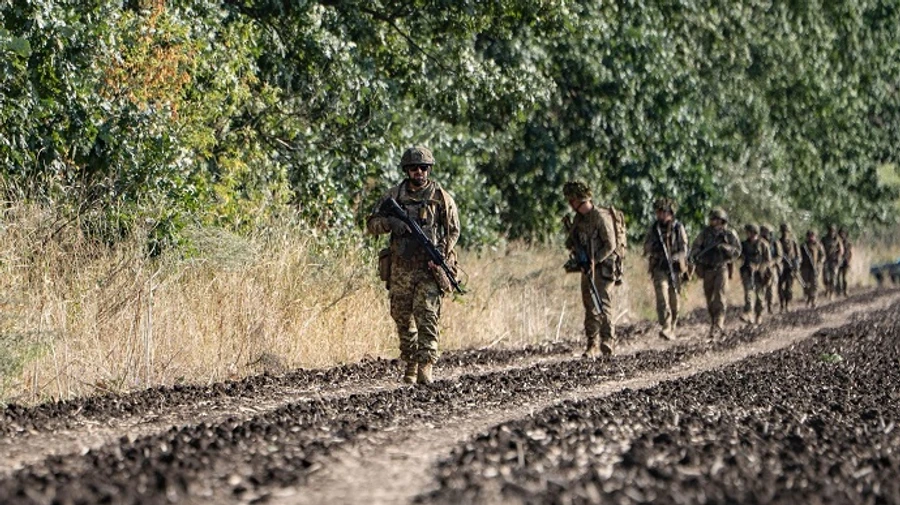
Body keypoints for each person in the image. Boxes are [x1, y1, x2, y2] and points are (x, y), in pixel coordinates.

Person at [366, 146, 460, 384]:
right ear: (407, 170)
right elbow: (372, 224)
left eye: (423, 168)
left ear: (429, 170)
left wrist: (439, 254)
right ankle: (410, 361)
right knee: (401, 316)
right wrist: (390, 223)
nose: (419, 172)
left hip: (429, 268)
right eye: (414, 168)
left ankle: (426, 364)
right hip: (401, 267)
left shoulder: (441, 197)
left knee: (428, 316)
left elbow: (453, 231)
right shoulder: (394, 196)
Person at [563, 181, 621, 357]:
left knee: (602, 302)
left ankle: (608, 340)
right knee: (589, 304)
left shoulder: (600, 217)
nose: (570, 204)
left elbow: (611, 244)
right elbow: (571, 242)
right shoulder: (578, 220)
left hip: (604, 267)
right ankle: (592, 343)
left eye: (571, 200)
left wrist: (595, 260)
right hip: (587, 266)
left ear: (578, 200)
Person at [689, 208, 742, 338]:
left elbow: (737, 251)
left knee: (720, 297)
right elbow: (695, 247)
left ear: (723, 220)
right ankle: (714, 322)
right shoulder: (705, 234)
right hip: (707, 269)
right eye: (713, 219)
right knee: (709, 299)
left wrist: (725, 248)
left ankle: (719, 325)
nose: (715, 222)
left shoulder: (729, 234)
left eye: (717, 219)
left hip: (721, 268)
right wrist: (697, 255)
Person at [642, 197, 689, 340]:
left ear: (670, 213)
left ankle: (672, 325)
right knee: (662, 297)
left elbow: (685, 249)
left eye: (663, 212)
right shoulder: (654, 229)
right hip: (659, 267)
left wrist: (676, 258)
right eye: (658, 212)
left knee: (674, 299)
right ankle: (666, 326)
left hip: (674, 268)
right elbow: (646, 247)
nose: (660, 215)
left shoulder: (677, 228)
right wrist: (654, 248)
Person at [739, 223, 773, 324]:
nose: (749, 235)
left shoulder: (763, 244)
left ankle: (759, 315)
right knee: (748, 293)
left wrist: (759, 267)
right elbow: (739, 255)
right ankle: (748, 312)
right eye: (748, 233)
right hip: (748, 272)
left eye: (751, 233)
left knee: (760, 295)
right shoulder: (744, 244)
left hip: (760, 274)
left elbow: (768, 261)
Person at [777, 223, 801, 312]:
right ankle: (782, 304)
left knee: (789, 287)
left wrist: (796, 265)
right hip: (781, 267)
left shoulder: (793, 242)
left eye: (786, 231)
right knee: (779, 287)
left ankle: (787, 304)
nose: (785, 233)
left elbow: (798, 256)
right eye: (783, 231)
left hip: (790, 267)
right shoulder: (778, 242)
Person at [800, 229, 826, 308]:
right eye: (809, 236)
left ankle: (814, 301)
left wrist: (819, 263)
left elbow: (823, 255)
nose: (811, 238)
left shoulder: (818, 245)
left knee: (814, 285)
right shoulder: (803, 246)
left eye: (812, 236)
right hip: (805, 268)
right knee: (806, 285)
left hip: (814, 267)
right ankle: (808, 299)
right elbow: (799, 256)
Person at [759, 224, 781, 314]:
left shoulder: (775, 243)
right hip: (761, 268)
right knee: (761, 288)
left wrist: (772, 262)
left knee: (771, 288)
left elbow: (779, 256)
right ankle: (761, 306)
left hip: (772, 267)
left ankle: (770, 306)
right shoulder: (759, 242)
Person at [821, 224, 844, 300]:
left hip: (834, 261)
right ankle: (827, 289)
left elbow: (841, 250)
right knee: (825, 278)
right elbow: (820, 248)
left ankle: (831, 293)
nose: (832, 232)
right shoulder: (824, 239)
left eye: (833, 231)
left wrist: (838, 257)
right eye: (830, 230)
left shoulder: (837, 239)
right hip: (826, 260)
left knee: (833, 278)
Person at [836, 227, 853, 296]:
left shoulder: (848, 242)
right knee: (837, 277)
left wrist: (849, 261)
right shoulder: (837, 242)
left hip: (846, 261)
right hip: (838, 261)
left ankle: (845, 291)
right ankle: (838, 291)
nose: (842, 235)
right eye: (841, 233)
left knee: (845, 278)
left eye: (843, 233)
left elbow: (850, 252)